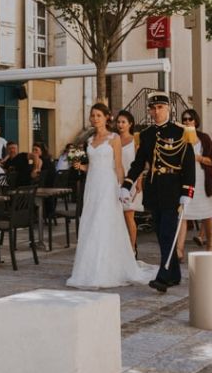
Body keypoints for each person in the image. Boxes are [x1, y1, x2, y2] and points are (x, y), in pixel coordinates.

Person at [67, 103, 157, 288]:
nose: (94, 118)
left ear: (107, 117)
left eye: (98, 115)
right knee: (90, 222)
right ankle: (88, 269)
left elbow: (118, 166)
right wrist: (81, 166)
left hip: (108, 185)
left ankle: (105, 270)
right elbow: (92, 165)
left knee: (104, 222)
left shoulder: (114, 138)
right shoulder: (90, 140)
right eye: (92, 115)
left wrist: (123, 188)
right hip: (92, 185)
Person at [121, 92, 197, 293]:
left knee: (167, 233)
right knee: (161, 233)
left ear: (169, 109)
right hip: (155, 189)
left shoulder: (181, 132)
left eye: (160, 108)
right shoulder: (145, 135)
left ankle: (163, 277)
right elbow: (138, 163)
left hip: (173, 189)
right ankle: (174, 275)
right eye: (153, 108)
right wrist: (126, 184)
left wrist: (187, 191)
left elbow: (188, 164)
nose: (156, 112)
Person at [176, 109, 212, 254]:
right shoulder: (179, 138)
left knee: (207, 215)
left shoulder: (204, 138)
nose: (187, 121)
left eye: (190, 119)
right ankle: (179, 249)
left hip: (203, 180)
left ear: (196, 121)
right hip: (185, 181)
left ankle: (209, 244)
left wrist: (199, 158)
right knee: (183, 214)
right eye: (184, 119)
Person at [115, 110, 143, 254]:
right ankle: (121, 247)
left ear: (130, 124)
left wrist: (139, 180)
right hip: (116, 180)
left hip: (131, 180)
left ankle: (132, 247)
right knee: (117, 215)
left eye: (123, 122)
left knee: (128, 214)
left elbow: (140, 162)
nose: (120, 125)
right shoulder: (114, 139)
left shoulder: (135, 140)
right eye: (118, 122)